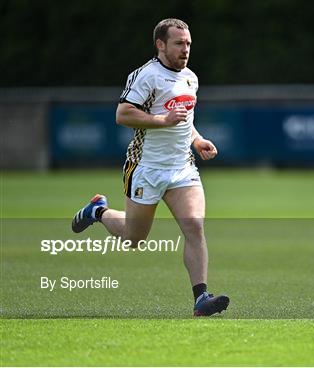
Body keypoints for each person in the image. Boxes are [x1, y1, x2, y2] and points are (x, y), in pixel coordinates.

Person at [71, 18, 229, 317]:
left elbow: (186, 119)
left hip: (182, 166)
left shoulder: (191, 78)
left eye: (189, 44)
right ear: (160, 44)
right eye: (179, 44)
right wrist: (161, 121)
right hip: (146, 166)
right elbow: (123, 114)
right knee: (133, 238)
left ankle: (201, 298)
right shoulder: (146, 76)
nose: (186, 50)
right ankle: (99, 211)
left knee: (194, 226)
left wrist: (197, 140)